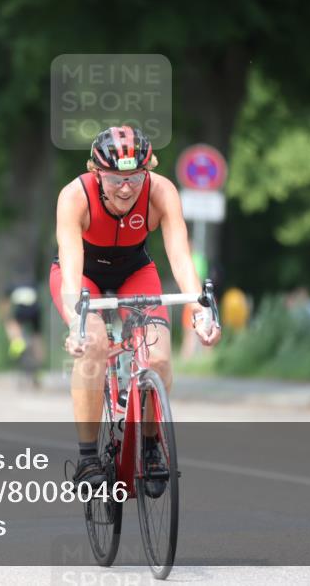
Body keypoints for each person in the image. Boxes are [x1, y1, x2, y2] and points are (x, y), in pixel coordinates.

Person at [50, 126, 221, 490]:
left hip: (135, 270)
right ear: (97, 173)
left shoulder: (161, 192)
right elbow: (70, 265)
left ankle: (150, 442)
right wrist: (76, 324)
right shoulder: (74, 197)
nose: (126, 188)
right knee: (94, 344)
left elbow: (180, 256)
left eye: (135, 177)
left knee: (158, 357)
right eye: (115, 179)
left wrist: (200, 310)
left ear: (149, 170)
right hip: (82, 274)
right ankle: (87, 459)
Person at [0, 281, 44, 388]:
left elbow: (4, 304)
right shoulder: (34, 284)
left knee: (12, 325)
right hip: (35, 312)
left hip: (20, 311)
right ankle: (39, 362)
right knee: (37, 337)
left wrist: (5, 319)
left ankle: (17, 343)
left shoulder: (12, 285)